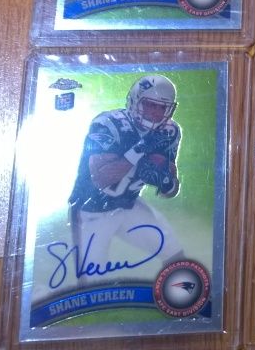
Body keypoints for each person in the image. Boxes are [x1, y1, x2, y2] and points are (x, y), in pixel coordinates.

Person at [68, 75, 185, 285]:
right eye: (150, 105)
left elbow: (171, 189)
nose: (156, 113)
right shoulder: (109, 124)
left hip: (129, 204)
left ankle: (180, 296)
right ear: (134, 100)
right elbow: (101, 178)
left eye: (162, 107)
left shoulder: (169, 131)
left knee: (175, 255)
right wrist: (141, 149)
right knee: (92, 284)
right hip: (92, 210)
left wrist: (165, 181)